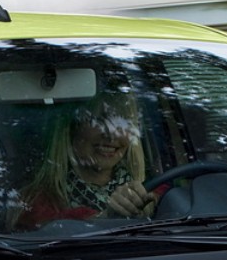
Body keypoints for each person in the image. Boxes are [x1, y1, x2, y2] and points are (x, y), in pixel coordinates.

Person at [13, 97, 154, 230]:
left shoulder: (154, 188)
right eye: (98, 120)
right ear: (71, 129)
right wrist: (107, 218)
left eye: (122, 122)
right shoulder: (37, 202)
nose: (111, 135)